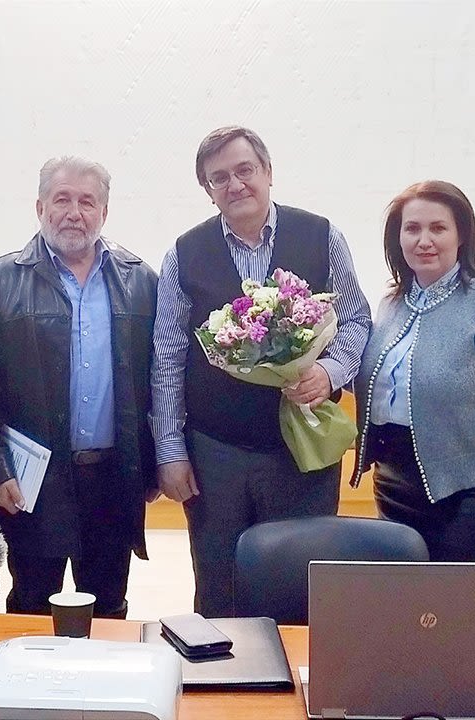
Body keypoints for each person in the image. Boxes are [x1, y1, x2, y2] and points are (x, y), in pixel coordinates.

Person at [152, 126, 372, 618]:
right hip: (215, 453)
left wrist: (330, 371)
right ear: (207, 189)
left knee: (301, 586)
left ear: (268, 172)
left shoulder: (322, 236)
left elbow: (356, 320)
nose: (235, 185)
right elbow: (167, 356)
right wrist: (170, 449)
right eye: (219, 178)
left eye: (245, 170)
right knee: (219, 586)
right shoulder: (184, 254)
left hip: (303, 449)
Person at [0, 156, 158, 618]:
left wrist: (152, 467)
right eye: (62, 199)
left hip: (113, 480)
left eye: (87, 201)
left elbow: (158, 382)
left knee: (106, 611)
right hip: (33, 483)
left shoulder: (141, 281)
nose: (74, 213)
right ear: (40, 207)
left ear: (104, 212)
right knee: (32, 607)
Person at [351, 180, 475, 561]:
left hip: (466, 495)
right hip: (393, 486)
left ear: (461, 235)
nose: (424, 240)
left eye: (438, 228)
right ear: (398, 238)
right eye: (412, 228)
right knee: (402, 594)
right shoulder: (392, 303)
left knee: (458, 597)